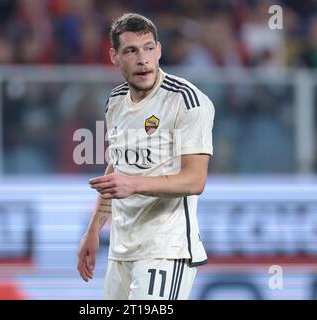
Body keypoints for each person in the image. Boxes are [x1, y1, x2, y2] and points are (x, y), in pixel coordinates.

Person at [77, 13, 215, 300]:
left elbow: (195, 179)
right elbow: (118, 167)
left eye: (149, 48)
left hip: (166, 248)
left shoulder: (186, 101)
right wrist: (94, 229)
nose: (143, 59)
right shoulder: (115, 101)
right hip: (121, 249)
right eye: (131, 50)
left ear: (159, 50)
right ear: (114, 56)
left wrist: (135, 184)